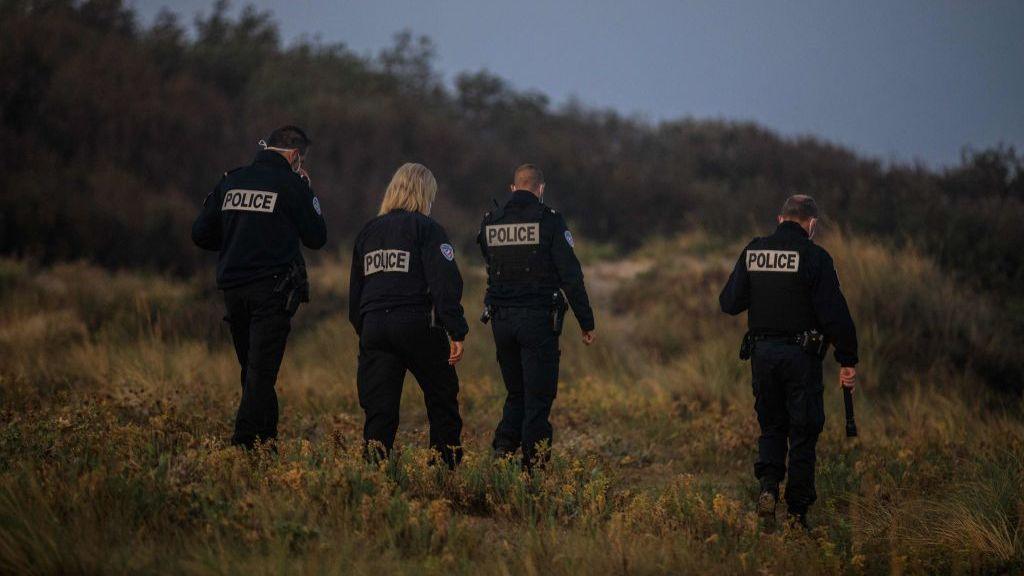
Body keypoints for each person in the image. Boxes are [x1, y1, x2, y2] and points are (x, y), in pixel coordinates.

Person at [719, 194, 858, 528]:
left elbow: (729, 302)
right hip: (801, 357)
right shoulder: (815, 257)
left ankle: (768, 487)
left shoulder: (754, 250)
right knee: (804, 431)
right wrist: (847, 359)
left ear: (780, 219)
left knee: (772, 425)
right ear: (811, 224)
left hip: (762, 356)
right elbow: (835, 316)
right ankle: (797, 512)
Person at [191, 125, 327, 448]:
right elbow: (317, 237)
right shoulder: (292, 185)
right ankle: (243, 445)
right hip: (272, 291)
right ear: (295, 156)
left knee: (252, 371)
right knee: (260, 373)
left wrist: (238, 240)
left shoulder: (231, 179)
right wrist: (307, 190)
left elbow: (200, 233)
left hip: (233, 291)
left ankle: (267, 444)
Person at [348, 163, 468, 468]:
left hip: (374, 325)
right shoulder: (427, 228)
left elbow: (356, 293)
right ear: (424, 193)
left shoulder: (368, 231)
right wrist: (456, 330)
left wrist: (366, 329)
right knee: (442, 400)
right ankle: (444, 471)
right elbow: (445, 284)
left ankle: (374, 473)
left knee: (379, 409)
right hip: (416, 324)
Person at [478, 164, 595, 470]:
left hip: (501, 321)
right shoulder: (550, 220)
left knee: (516, 392)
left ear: (513, 188)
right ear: (541, 189)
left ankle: (502, 452)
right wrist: (587, 322)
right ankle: (534, 472)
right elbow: (571, 275)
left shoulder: (491, 221)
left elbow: (489, 263)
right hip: (537, 321)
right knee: (538, 399)